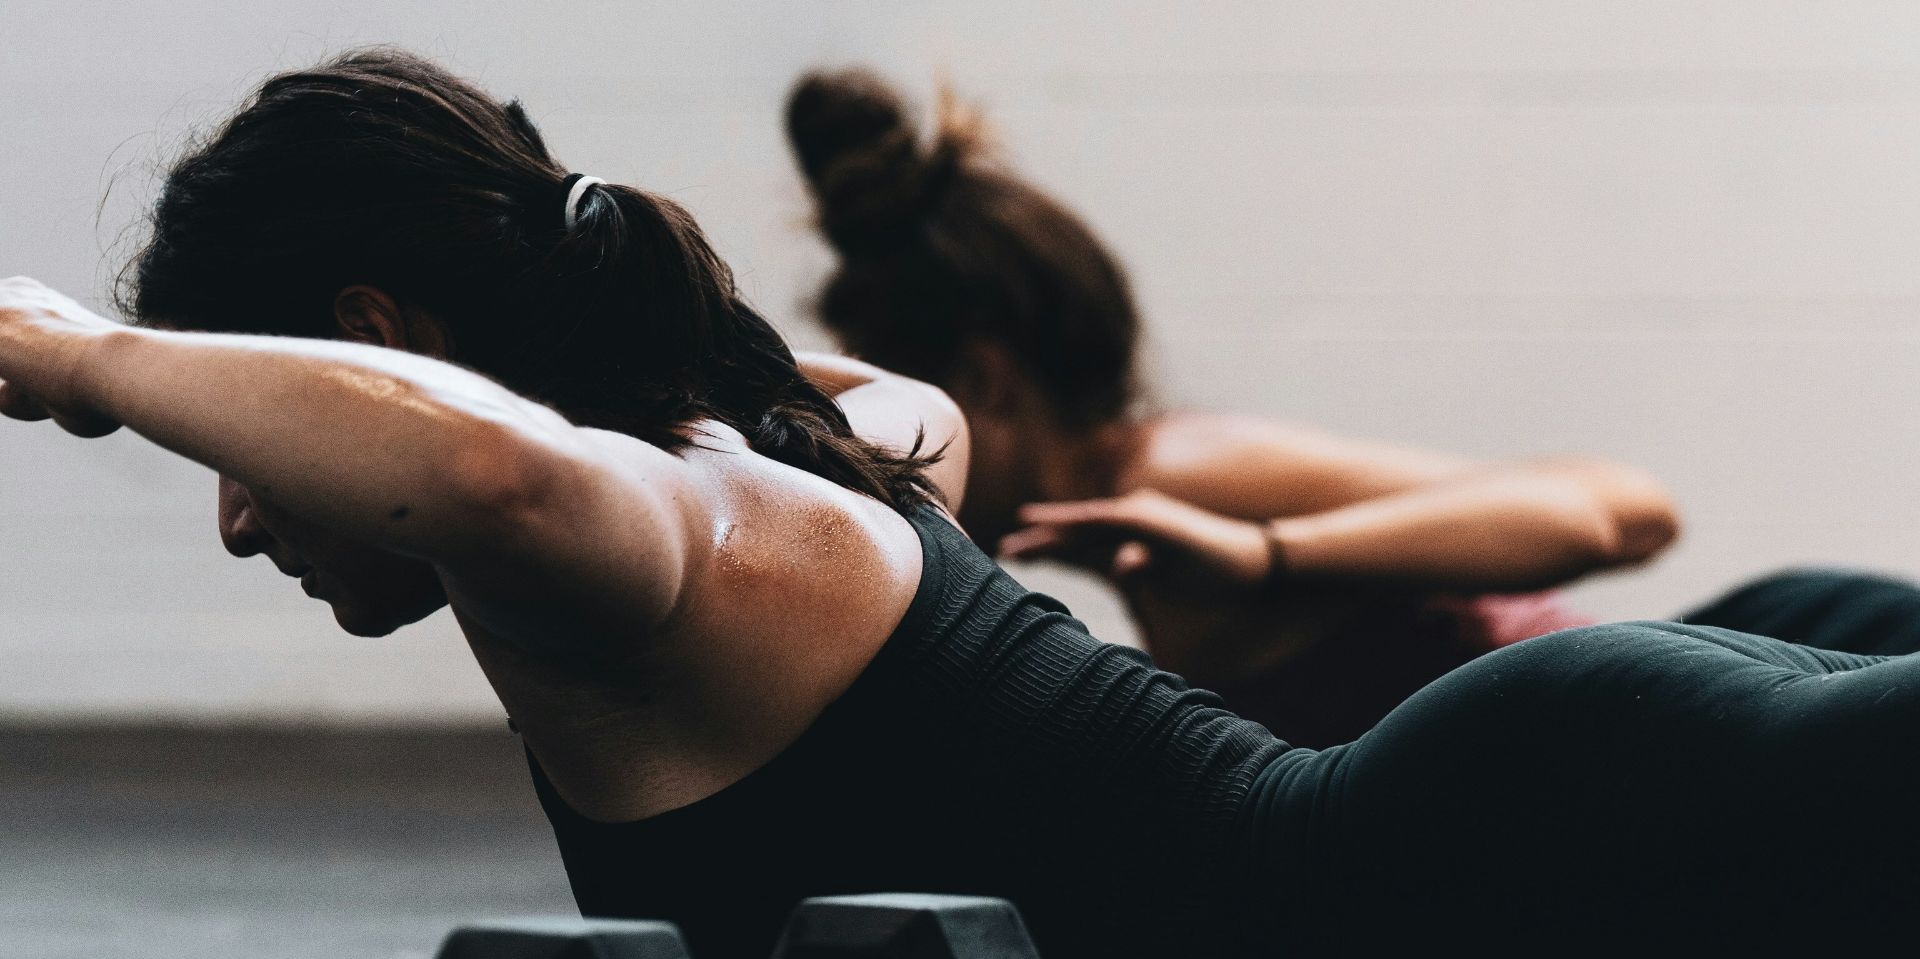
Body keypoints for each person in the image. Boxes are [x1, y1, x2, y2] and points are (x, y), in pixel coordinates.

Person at [5, 50, 1915, 959]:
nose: (238, 504)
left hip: (1505, 880)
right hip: (1545, 819)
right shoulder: (811, 440)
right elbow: (871, 390)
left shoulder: (669, 525)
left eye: (231, 436)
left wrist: (90, 363)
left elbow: (502, 482)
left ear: (377, 343)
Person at [786, 70, 1920, 748]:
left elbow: (1622, 512)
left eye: (893, 411)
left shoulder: (1178, 475)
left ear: (987, 381)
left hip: (1740, 701)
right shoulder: (1142, 530)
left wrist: (1270, 557)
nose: (879, 457)